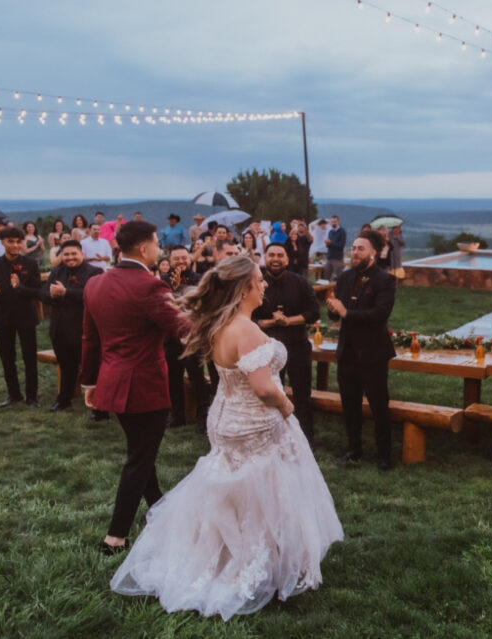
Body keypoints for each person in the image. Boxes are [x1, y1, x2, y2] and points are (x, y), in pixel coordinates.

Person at [109, 256, 343, 618]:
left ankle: (221, 553)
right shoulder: (245, 329)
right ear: (244, 288)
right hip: (253, 420)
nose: (265, 285)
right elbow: (264, 388)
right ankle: (256, 561)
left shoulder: (220, 323)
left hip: (225, 417)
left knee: (229, 484)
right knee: (264, 485)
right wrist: (286, 407)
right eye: (259, 280)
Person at [79, 220, 189, 555]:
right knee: (139, 458)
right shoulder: (150, 287)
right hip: (145, 387)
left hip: (112, 383)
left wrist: (90, 381)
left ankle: (158, 508)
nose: (160, 249)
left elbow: (90, 338)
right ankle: (115, 537)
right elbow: (183, 329)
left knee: (142, 452)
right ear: (144, 248)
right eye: (157, 244)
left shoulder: (95, 284)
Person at [326, 230, 397, 469]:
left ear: (373, 253)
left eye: (360, 249)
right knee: (350, 404)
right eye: (353, 248)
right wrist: (333, 309)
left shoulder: (384, 280)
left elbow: (380, 314)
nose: (354, 252)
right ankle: (354, 448)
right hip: (347, 352)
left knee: (378, 405)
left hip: (373, 353)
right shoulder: (345, 277)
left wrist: (347, 313)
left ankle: (384, 455)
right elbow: (337, 311)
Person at [252, 242, 320, 445]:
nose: (275, 259)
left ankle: (306, 440)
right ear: (265, 257)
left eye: (280, 255)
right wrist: (271, 322)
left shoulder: (300, 282)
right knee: (270, 397)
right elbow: (248, 318)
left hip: (297, 347)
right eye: (271, 254)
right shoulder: (256, 283)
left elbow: (313, 312)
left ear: (287, 259)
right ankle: (272, 439)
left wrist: (289, 320)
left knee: (302, 396)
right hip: (266, 350)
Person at [39, 240, 101, 412]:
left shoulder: (94, 272)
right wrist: (51, 294)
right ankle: (64, 399)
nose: (70, 257)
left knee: (92, 367)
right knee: (66, 366)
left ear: (82, 254)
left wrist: (66, 293)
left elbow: (93, 295)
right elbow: (43, 294)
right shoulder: (57, 272)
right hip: (60, 329)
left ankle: (99, 407)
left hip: (84, 329)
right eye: (66, 254)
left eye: (74, 254)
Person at [0, 226, 43, 408]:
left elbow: (37, 292)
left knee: (29, 357)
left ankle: (32, 396)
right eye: (10, 241)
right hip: (4, 316)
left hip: (26, 315)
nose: (15, 245)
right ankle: (13, 394)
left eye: (19, 241)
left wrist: (20, 287)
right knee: (7, 357)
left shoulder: (31, 264)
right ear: (2, 242)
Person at [161, 246, 209, 429]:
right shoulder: (163, 281)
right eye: (177, 259)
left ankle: (202, 419)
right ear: (170, 262)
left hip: (192, 338)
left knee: (197, 379)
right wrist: (171, 290)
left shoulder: (200, 280)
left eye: (184, 258)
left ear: (190, 260)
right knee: (173, 379)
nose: (181, 262)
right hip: (171, 338)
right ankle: (177, 415)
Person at [322, 215, 346, 280]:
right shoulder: (330, 232)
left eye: (335, 221)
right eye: (332, 222)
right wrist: (327, 244)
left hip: (337, 258)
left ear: (338, 222)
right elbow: (330, 245)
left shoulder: (342, 231)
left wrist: (331, 243)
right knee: (325, 277)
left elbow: (341, 245)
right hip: (329, 257)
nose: (333, 223)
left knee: (339, 278)